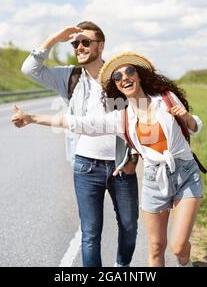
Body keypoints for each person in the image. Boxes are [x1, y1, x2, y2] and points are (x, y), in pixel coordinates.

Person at [13, 52, 205, 267]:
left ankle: (184, 258)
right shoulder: (121, 118)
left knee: (178, 246)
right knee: (156, 247)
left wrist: (188, 118)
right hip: (154, 179)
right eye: (117, 77)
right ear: (117, 87)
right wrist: (32, 118)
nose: (125, 77)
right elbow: (77, 122)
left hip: (185, 172)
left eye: (129, 71)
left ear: (139, 75)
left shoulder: (166, 99)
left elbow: (195, 127)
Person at [20, 22, 139, 267]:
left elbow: (140, 114)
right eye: (76, 43)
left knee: (129, 226)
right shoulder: (70, 76)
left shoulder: (120, 75)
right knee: (90, 234)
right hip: (86, 166)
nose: (79, 47)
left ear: (101, 45)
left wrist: (133, 158)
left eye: (86, 42)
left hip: (121, 166)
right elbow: (30, 69)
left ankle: (121, 267)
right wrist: (54, 38)